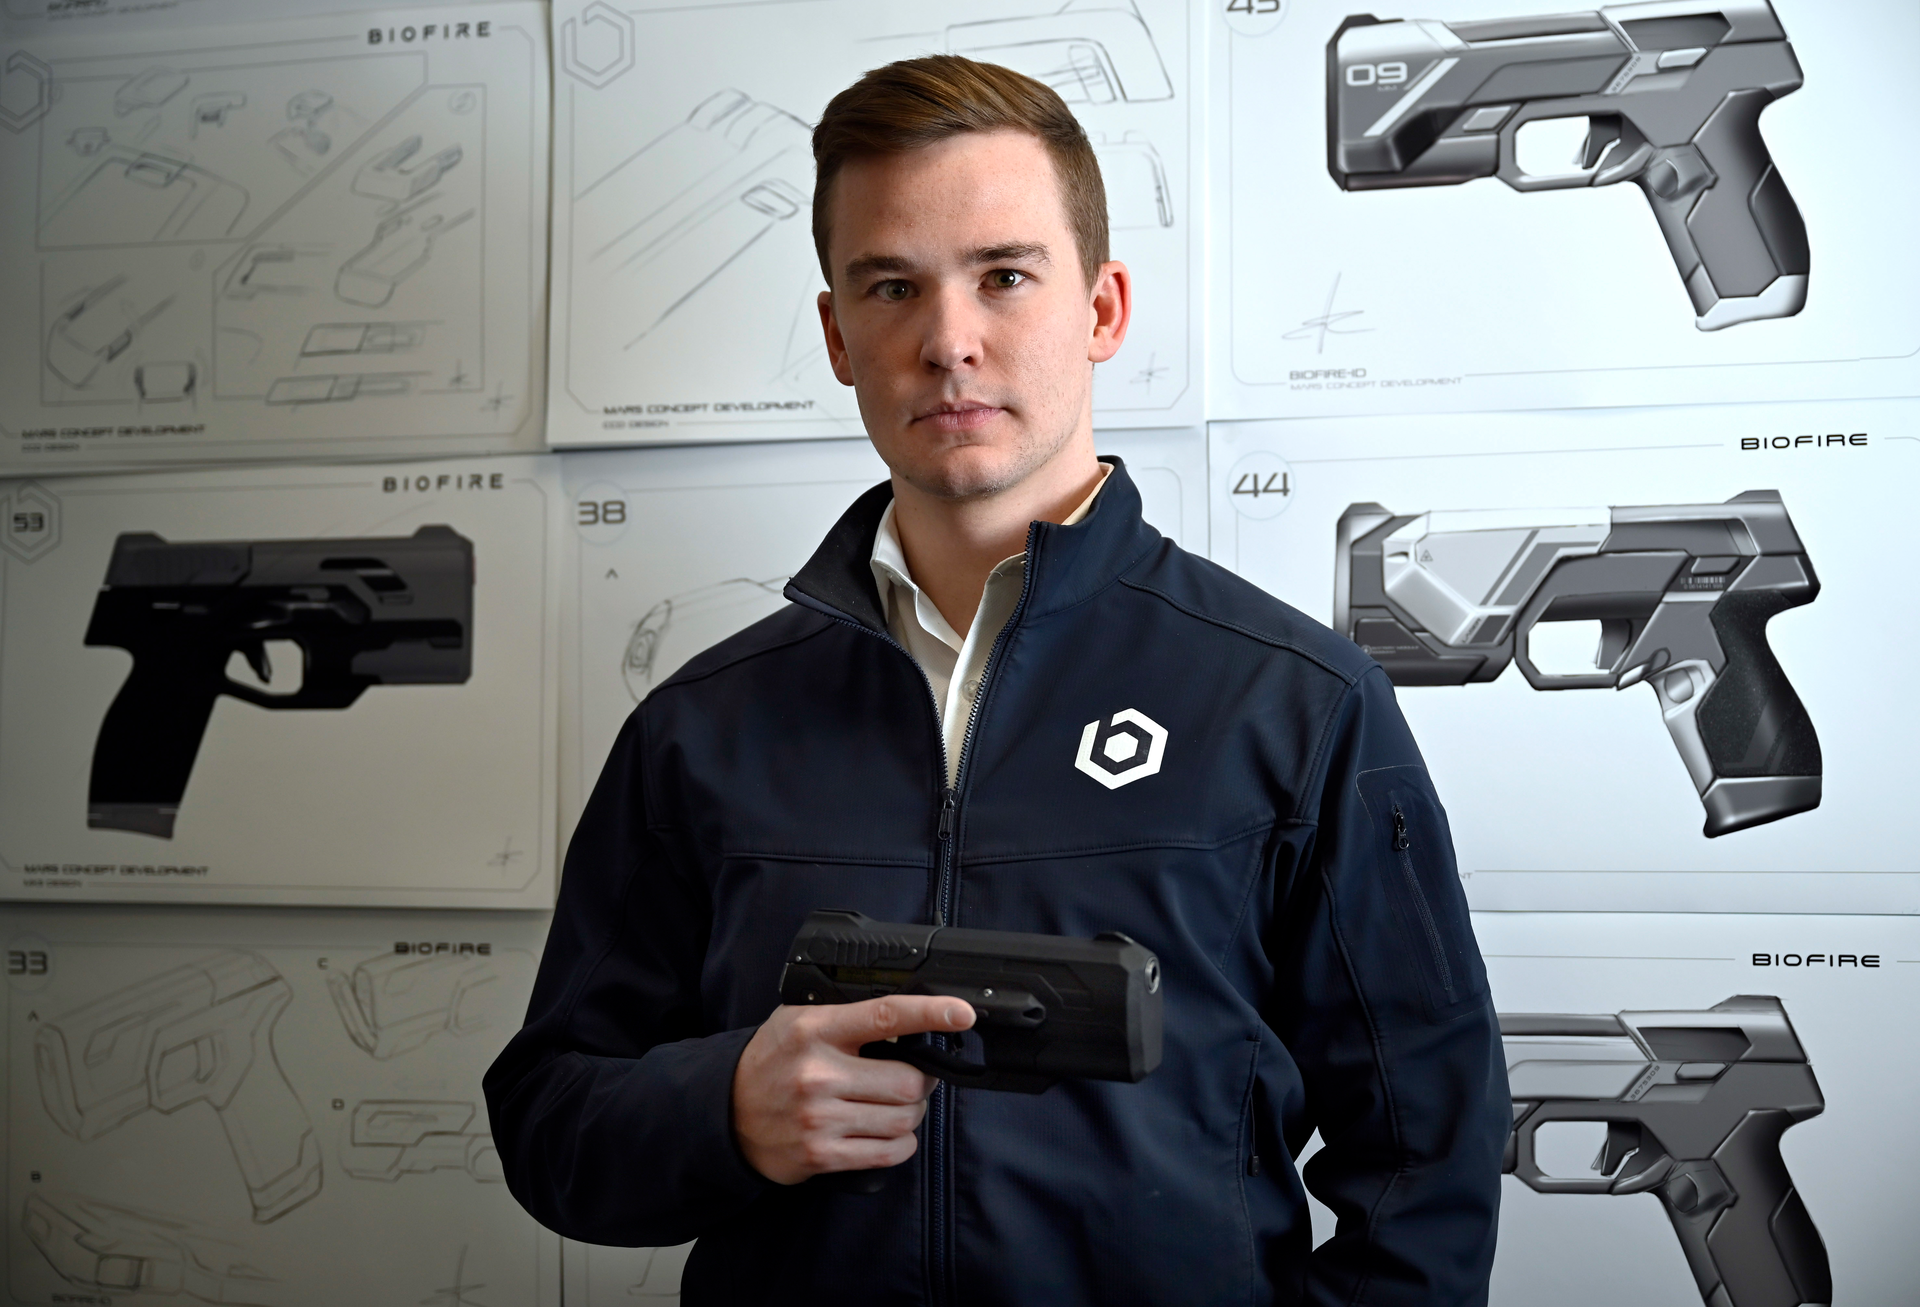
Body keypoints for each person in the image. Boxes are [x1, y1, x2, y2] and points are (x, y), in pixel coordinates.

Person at [485, 55, 1508, 1305]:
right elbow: (548, 1116)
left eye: (1004, 276)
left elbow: (1427, 1166)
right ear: (837, 335)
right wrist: (728, 1108)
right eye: (892, 286)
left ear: (1103, 309)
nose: (948, 341)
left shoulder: (1297, 704)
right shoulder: (698, 727)